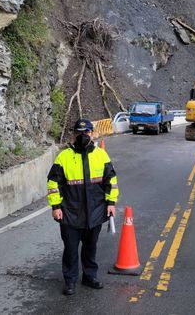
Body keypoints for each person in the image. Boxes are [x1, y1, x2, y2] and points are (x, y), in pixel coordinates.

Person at [47, 118, 119, 296]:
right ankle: (70, 280)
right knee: (70, 249)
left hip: (95, 211)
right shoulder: (63, 157)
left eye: (86, 132)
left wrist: (111, 203)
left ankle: (89, 276)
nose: (83, 136)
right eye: (79, 133)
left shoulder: (101, 155)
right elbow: (53, 183)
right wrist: (56, 206)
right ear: (73, 135)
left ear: (92, 134)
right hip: (70, 213)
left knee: (90, 247)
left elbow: (111, 180)